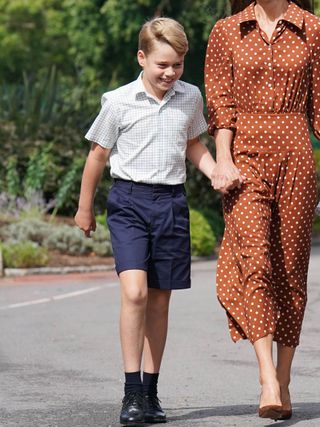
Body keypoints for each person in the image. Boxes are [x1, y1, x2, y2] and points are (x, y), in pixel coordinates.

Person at [75, 17, 216, 426]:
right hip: (130, 202)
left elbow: (193, 143)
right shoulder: (118, 101)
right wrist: (85, 208)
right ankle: (131, 392)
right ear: (142, 57)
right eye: (162, 65)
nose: (170, 73)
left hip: (171, 202)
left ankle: (151, 393)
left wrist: (216, 172)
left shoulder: (190, 98)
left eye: (177, 65)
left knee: (159, 297)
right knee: (134, 292)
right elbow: (98, 156)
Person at [205, 0, 319, 421]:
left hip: (296, 156)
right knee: (255, 261)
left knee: (291, 267)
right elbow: (219, 102)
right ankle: (267, 377)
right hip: (243, 159)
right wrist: (222, 158)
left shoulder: (312, 29)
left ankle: (285, 378)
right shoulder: (227, 30)